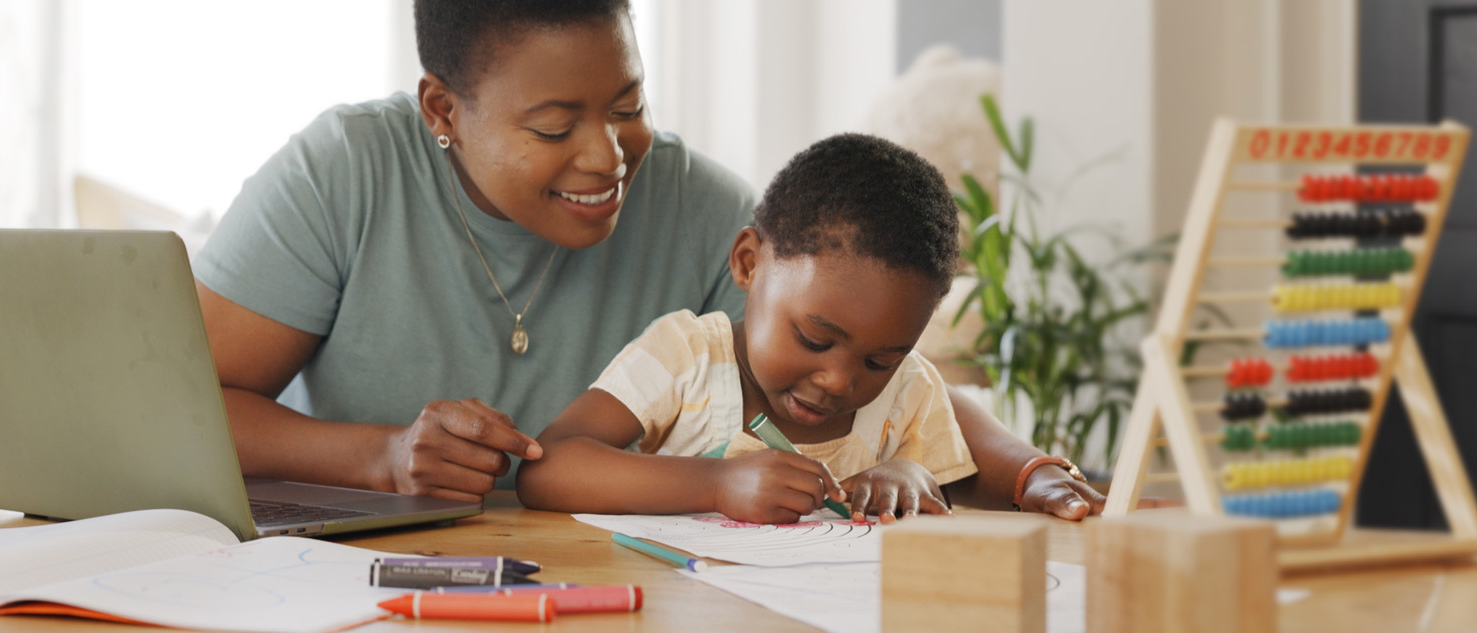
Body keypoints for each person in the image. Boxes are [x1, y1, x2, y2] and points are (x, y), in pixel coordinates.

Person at [191, 0, 1105, 520]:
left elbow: (897, 376)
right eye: (555, 126)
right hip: (343, 574)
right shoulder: (345, 172)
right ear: (442, 110)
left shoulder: (707, 210)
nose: (608, 156)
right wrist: (383, 456)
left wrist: (1031, 467)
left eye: (628, 103)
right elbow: (186, 410)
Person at [521, 133, 978, 524]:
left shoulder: (908, 389)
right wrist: (717, 484)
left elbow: (955, 498)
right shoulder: (686, 356)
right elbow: (549, 468)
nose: (839, 380)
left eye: (879, 361)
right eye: (814, 340)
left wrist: (913, 479)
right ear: (748, 263)